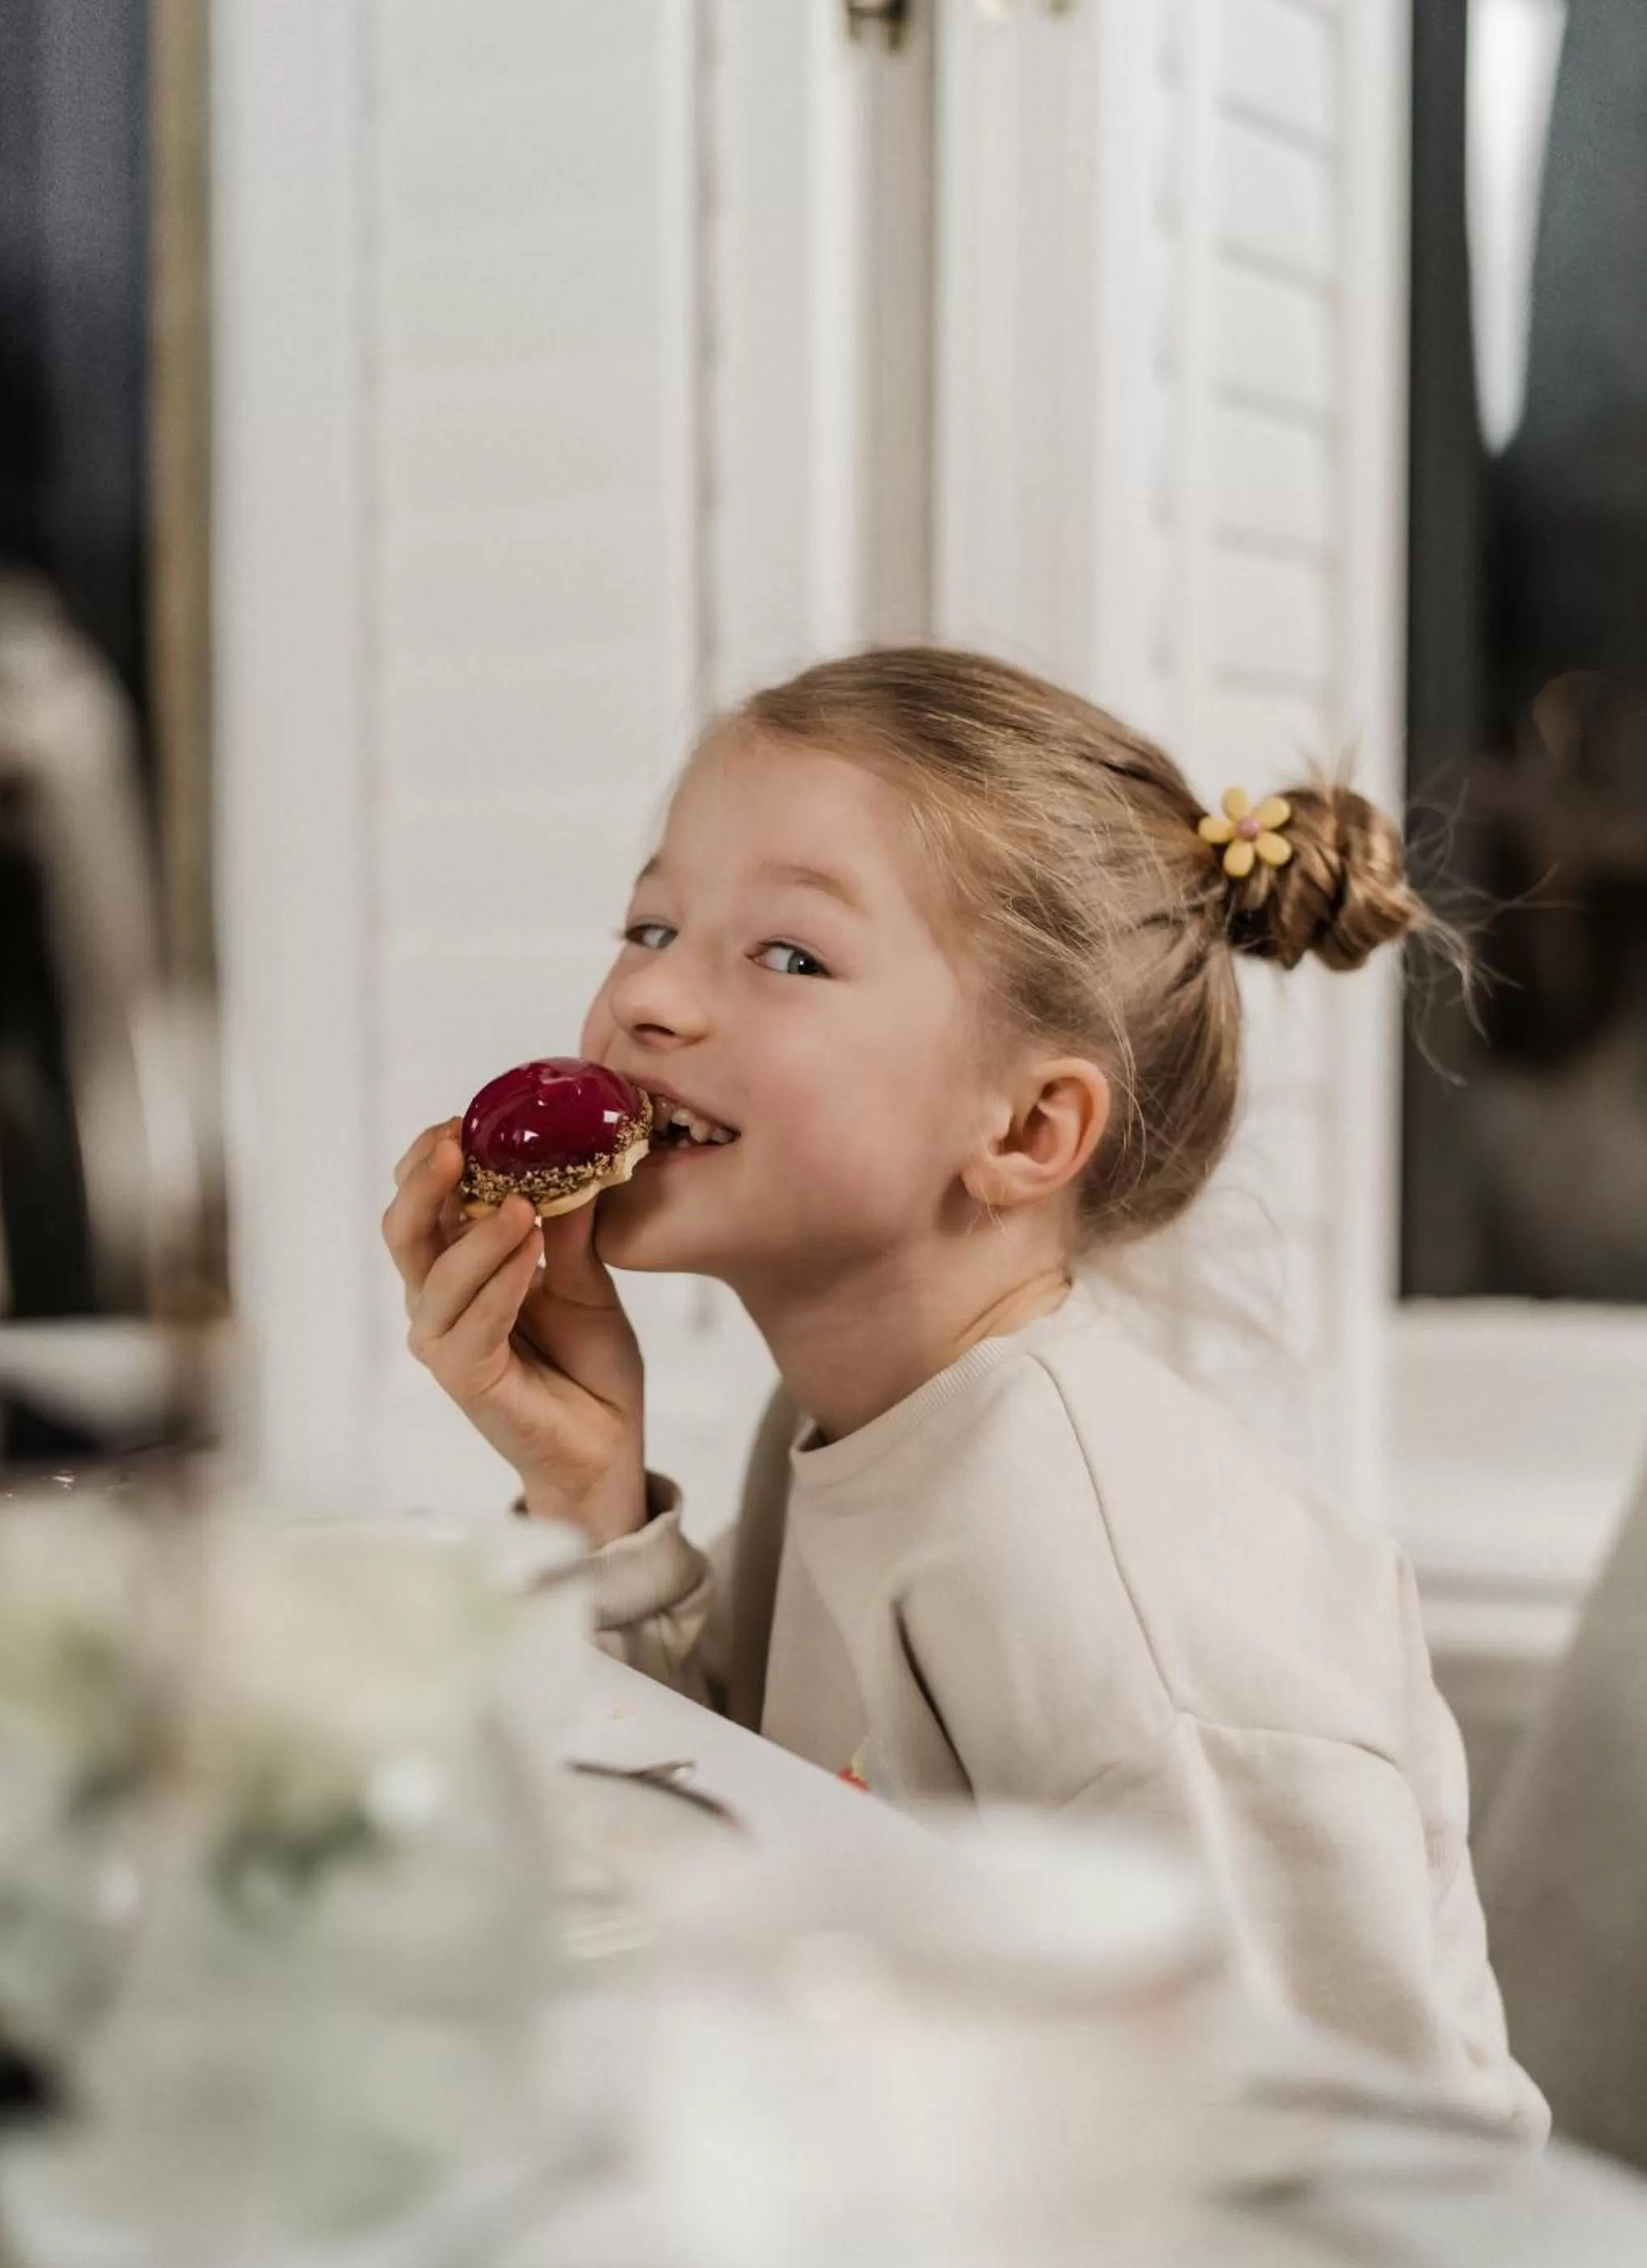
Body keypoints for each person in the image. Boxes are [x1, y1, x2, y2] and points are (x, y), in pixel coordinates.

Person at [382, 646, 1546, 2133]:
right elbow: (728, 1836)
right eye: (650, 921)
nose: (649, 998)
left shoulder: (1098, 1587)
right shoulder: (852, 1430)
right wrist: (588, 1494)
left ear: (1029, 1129)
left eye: (788, 955)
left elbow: (1361, 2176)